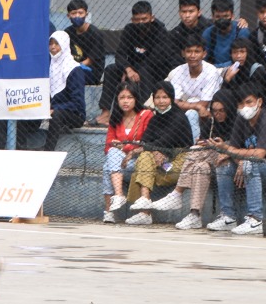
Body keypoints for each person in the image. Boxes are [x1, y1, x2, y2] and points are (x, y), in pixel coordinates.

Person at [207, 83, 266, 235]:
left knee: (249, 163)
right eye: (241, 104)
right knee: (223, 165)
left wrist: (232, 152)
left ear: (259, 102)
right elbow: (235, 152)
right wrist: (240, 160)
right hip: (260, 170)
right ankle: (228, 217)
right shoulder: (241, 120)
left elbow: (259, 154)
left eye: (249, 102)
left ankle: (255, 219)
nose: (245, 107)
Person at [122, 82, 194, 225]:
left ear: (171, 98)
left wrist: (146, 150)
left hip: (172, 167)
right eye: (157, 97)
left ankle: (145, 209)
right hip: (159, 166)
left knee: (143, 161)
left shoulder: (178, 117)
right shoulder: (155, 119)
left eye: (165, 97)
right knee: (144, 159)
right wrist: (152, 150)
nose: (161, 101)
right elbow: (145, 141)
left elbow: (165, 140)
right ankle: (145, 206)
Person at [168, 90, 238, 230]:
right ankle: (195, 215)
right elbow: (202, 141)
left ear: (229, 108)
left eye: (222, 111)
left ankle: (177, 193)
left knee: (194, 150)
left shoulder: (237, 122)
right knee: (200, 166)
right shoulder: (212, 122)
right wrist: (205, 143)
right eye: (215, 111)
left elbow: (238, 145)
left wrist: (223, 146)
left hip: (230, 161)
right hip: (211, 161)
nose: (218, 115)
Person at [99, 0, 168, 124]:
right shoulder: (129, 30)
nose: (141, 22)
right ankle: (105, 113)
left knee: (143, 72)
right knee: (110, 69)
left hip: (155, 70)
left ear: (152, 17)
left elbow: (155, 59)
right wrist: (127, 69)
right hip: (131, 68)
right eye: (137, 19)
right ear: (132, 19)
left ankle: (144, 114)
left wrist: (132, 70)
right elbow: (120, 54)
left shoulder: (160, 31)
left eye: (144, 19)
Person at [101, 83, 153, 223]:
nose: (125, 101)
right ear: (117, 100)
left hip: (140, 161)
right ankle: (118, 196)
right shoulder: (116, 118)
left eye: (129, 97)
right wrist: (120, 147)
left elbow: (147, 143)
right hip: (120, 163)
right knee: (111, 154)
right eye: (122, 97)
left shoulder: (146, 115)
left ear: (136, 99)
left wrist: (123, 147)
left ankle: (110, 209)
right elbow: (108, 146)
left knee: (108, 165)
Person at [167, 34, 222, 141]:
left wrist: (191, 106)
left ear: (204, 54)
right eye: (189, 51)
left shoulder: (211, 71)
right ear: (183, 53)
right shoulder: (178, 71)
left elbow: (204, 104)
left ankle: (194, 146)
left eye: (197, 52)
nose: (192, 55)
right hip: (189, 110)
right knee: (187, 113)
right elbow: (174, 102)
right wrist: (196, 106)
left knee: (191, 113)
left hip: (210, 111)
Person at [42, 30, 89, 151]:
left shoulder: (73, 69)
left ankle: (48, 152)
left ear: (64, 45)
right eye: (50, 43)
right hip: (53, 110)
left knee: (57, 115)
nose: (53, 47)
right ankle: (20, 146)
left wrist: (56, 109)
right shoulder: (51, 65)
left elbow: (77, 103)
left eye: (56, 44)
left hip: (74, 114)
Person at [65, 0, 106, 86]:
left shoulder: (95, 33)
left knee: (74, 74)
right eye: (73, 13)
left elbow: (90, 60)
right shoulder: (67, 32)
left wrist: (74, 67)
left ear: (86, 14)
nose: (77, 16)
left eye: (80, 13)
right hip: (72, 68)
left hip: (90, 71)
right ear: (68, 16)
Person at [201, 0, 249, 69]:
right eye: (218, 17)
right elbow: (203, 59)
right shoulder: (209, 33)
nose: (222, 20)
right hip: (213, 73)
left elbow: (241, 60)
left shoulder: (241, 31)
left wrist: (215, 67)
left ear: (232, 16)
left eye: (225, 16)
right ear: (212, 17)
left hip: (237, 71)